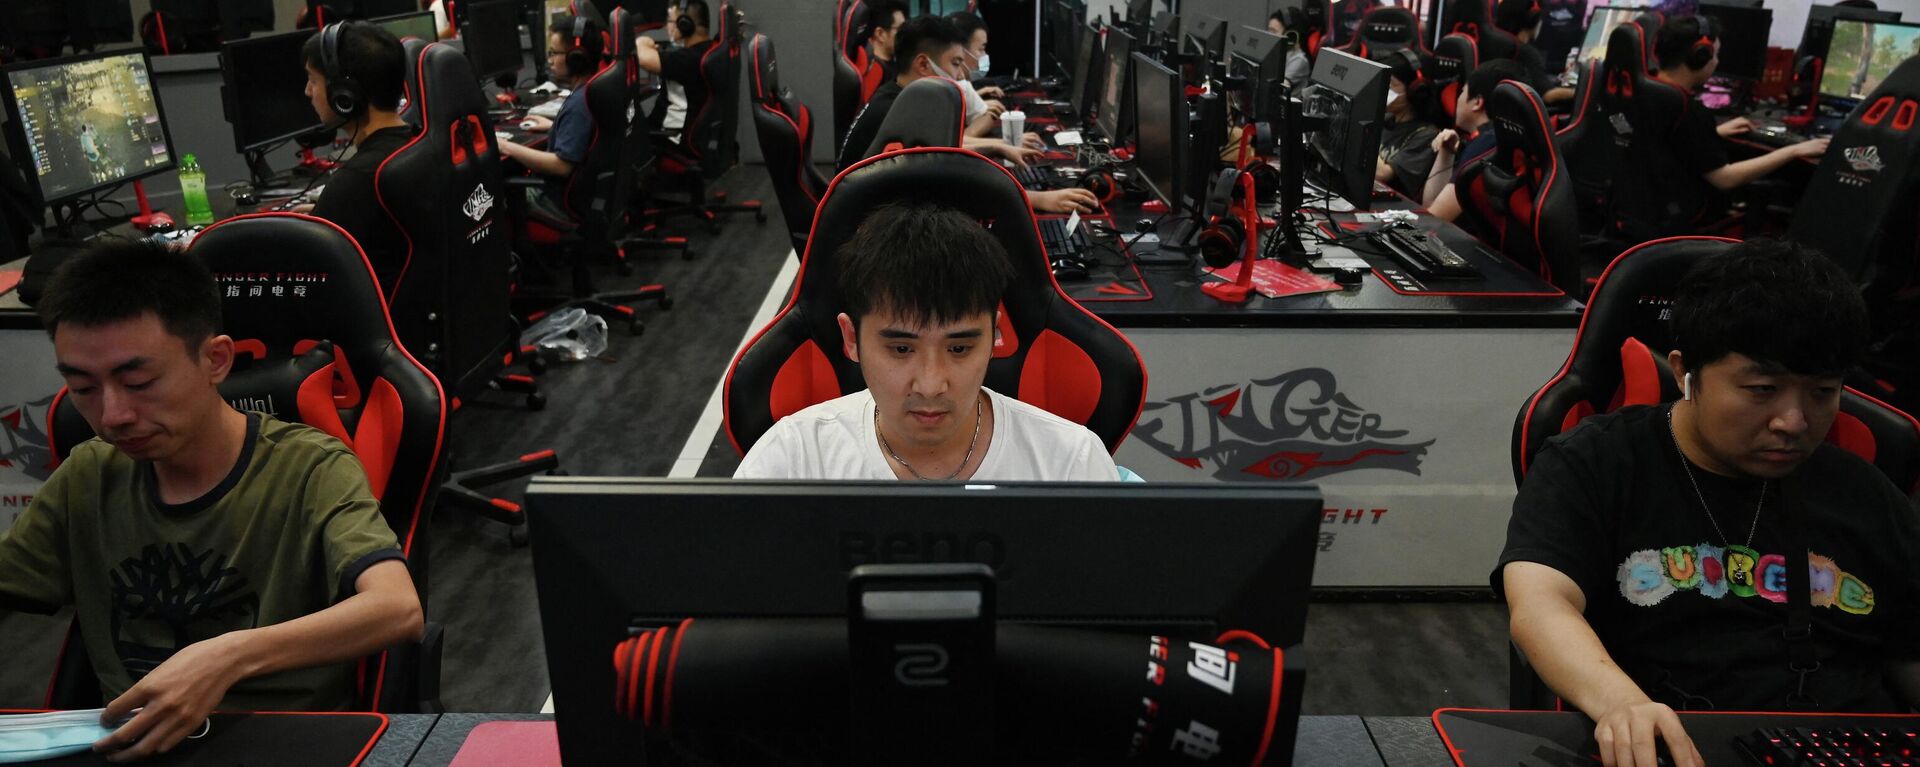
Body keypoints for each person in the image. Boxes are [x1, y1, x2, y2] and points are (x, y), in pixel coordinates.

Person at [1497, 239, 1920, 767]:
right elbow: (1540, 604)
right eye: (1762, 389)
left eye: (1821, 393)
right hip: (1673, 744)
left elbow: (1907, 651)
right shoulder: (1598, 462)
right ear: (1684, 373)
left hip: (1844, 746)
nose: (1794, 422)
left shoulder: (1865, 491)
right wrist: (1622, 704)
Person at [3, 241, 423, 762]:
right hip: (130, 745)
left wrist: (226, 656)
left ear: (215, 359)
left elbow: (396, 609)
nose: (113, 415)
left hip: (277, 742)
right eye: (83, 388)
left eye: (139, 382)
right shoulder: (90, 473)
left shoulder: (309, 468)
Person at [736, 201, 1120, 482]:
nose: (932, 385)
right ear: (851, 339)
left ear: (994, 336)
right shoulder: (792, 461)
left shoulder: (1071, 464)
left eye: (959, 348)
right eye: (901, 349)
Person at [837, 15, 1099, 215]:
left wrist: (998, 147)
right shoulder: (903, 112)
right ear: (923, 64)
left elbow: (946, 152)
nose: (961, 76)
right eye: (955, 64)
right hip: (865, 234)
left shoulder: (897, 95)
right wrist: (1038, 199)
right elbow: (952, 186)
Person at [1619, 16, 1829, 239]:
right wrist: (1793, 150)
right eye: (1714, 55)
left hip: (1640, 206)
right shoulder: (1686, 108)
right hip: (1678, 215)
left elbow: (1660, 143)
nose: (1717, 62)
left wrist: (1713, 133)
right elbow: (1725, 178)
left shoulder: (1645, 90)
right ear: (1698, 57)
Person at [302, 21, 417, 298]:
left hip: (381, 329)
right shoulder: (418, 145)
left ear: (344, 95)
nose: (308, 91)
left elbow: (310, 274)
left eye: (313, 80)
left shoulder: (358, 180)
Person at [497, 15, 600, 205]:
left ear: (576, 58)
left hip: (555, 199)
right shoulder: (593, 90)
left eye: (554, 53)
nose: (550, 60)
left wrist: (506, 146)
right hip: (583, 194)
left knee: (486, 203)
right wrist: (553, 126)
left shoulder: (579, 104)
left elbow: (561, 166)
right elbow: (586, 135)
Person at [1421, 59, 1528, 222]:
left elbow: (1435, 218)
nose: (1457, 99)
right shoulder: (1493, 138)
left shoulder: (1486, 143)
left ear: (1477, 102)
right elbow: (1430, 204)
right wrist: (1446, 153)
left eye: (1462, 92)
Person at [635, 0, 715, 144]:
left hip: (670, 138)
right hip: (694, 134)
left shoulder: (689, 59)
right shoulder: (709, 51)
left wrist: (641, 42)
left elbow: (644, 59)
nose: (667, 26)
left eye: (670, 21)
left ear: (685, 25)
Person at [1374, 50, 1446, 198]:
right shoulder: (1383, 119)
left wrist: (1359, 128)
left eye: (1391, 84)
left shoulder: (1426, 135)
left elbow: (1382, 174)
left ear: (1414, 91)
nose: (1382, 89)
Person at [1495, 0, 1575, 102]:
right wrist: (1578, 91)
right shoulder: (1525, 52)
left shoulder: (1495, 43)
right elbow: (1547, 95)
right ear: (1532, 20)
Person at [1266, 8, 1315, 97]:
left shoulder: (1299, 60)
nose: (1269, 35)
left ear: (1290, 36)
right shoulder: (1274, 54)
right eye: (1269, 30)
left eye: (1274, 31)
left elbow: (1276, 89)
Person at [864, 0, 909, 81]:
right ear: (880, 34)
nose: (904, 34)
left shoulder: (895, 66)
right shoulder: (874, 72)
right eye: (900, 29)